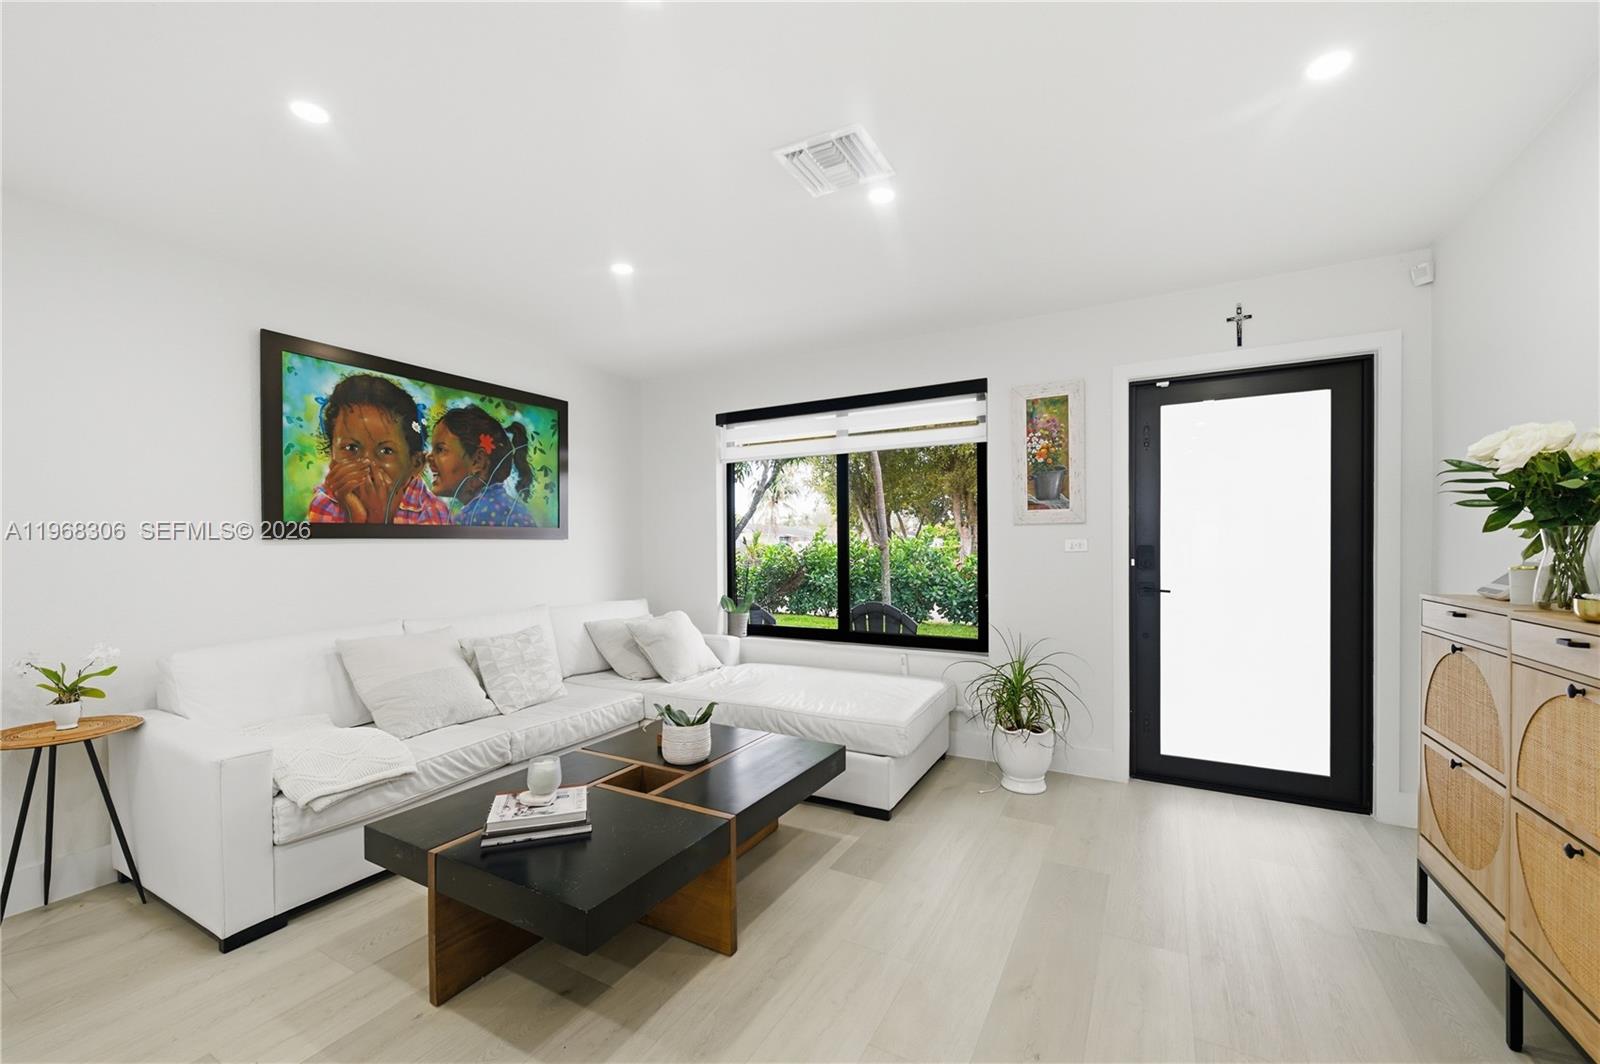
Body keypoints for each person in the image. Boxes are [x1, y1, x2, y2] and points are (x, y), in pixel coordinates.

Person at [308, 374, 451, 525]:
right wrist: (356, 516)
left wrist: (376, 520)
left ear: (415, 464)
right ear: (332, 454)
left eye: (386, 451)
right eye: (351, 448)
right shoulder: (326, 502)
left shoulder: (432, 512)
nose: (367, 463)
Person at [426, 405, 537, 526]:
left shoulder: (473, 518)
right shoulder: (511, 508)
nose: (428, 457)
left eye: (440, 449)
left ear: (477, 461)